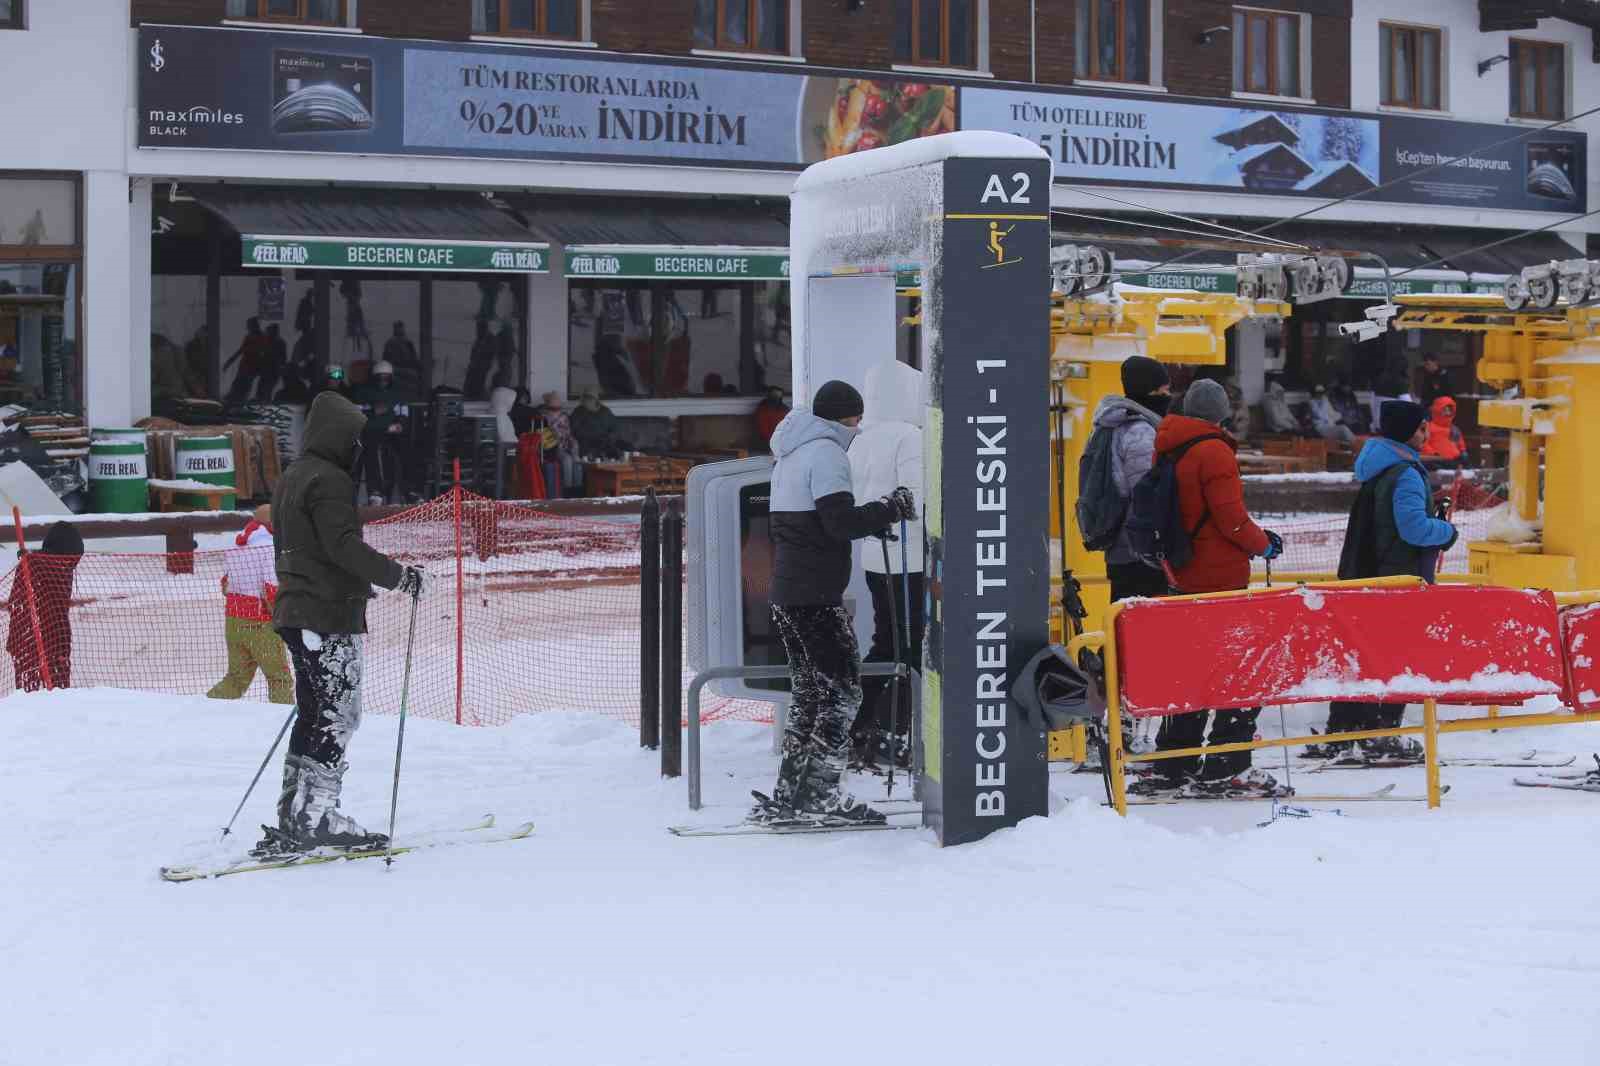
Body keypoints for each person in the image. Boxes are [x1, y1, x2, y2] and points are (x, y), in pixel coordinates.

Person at [260, 391, 424, 854]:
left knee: (313, 712)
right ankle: (319, 817)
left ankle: (294, 811)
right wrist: (401, 577)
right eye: (354, 439)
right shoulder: (329, 479)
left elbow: (312, 547)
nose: (358, 448)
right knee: (337, 715)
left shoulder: (292, 476)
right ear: (340, 438)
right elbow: (343, 547)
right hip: (326, 615)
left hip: (296, 611)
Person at [758, 380, 915, 826]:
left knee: (810, 694)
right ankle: (823, 794)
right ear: (839, 418)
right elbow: (839, 523)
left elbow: (816, 524)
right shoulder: (826, 452)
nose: (858, 427)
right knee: (843, 692)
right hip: (816, 596)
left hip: (789, 593)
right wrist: (890, 507)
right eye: (854, 419)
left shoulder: (790, 453)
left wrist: (867, 521)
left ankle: (791, 791)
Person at [1133, 379, 1287, 798]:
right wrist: (1264, 544)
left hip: (1182, 575)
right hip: (1219, 579)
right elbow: (1231, 518)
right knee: (1241, 672)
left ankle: (1174, 761)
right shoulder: (1213, 451)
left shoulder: (1170, 445)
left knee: (1192, 672)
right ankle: (1228, 765)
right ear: (1221, 413)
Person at [1314, 400, 1459, 763]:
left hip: (1367, 575)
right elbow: (1413, 529)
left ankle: (1343, 732)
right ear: (1411, 431)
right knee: (1398, 658)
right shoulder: (1406, 473)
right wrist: (1446, 530)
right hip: (1397, 581)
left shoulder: (1378, 465)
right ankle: (1382, 734)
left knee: (1359, 654)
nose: (1427, 433)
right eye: (1423, 427)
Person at [847, 360, 925, 769]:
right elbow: (915, 499)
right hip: (907, 556)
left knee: (885, 639)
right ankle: (891, 723)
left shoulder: (862, 439)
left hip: (874, 556)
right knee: (909, 644)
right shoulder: (909, 438)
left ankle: (865, 721)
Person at [1092, 355, 1171, 603]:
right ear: (1151, 390)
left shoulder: (1110, 426)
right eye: (1165, 389)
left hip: (1118, 545)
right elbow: (1146, 493)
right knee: (1144, 629)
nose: (1169, 395)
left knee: (1123, 626)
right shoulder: (1140, 432)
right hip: (1139, 552)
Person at [207, 505, 293, 705]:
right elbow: (270, 589)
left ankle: (206, 709)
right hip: (260, 622)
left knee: (235, 679)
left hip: (233, 620)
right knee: (279, 678)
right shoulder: (269, 547)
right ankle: (282, 720)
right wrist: (282, 619)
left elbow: (225, 585)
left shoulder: (237, 544)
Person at [6, 521, 84, 692]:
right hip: (36, 639)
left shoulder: (41, 566)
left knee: (39, 693)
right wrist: (30, 558)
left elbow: (42, 567)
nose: (70, 565)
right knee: (42, 693)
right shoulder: (45, 566)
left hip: (41, 640)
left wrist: (30, 558)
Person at [350, 360, 413, 504]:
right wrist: (372, 410)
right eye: (380, 378)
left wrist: (400, 423)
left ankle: (408, 490)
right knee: (370, 453)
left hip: (390, 431)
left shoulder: (396, 392)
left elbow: (403, 410)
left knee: (404, 452)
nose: (383, 381)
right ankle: (375, 491)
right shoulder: (364, 391)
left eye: (386, 378)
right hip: (370, 430)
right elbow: (355, 410)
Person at [536, 390, 581, 496]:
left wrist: (572, 443)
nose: (556, 410)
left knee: (577, 462)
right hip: (553, 448)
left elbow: (568, 433)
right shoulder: (543, 418)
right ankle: (568, 491)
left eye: (557, 408)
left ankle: (578, 490)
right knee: (567, 460)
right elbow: (545, 439)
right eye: (553, 408)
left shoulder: (564, 417)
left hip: (566, 444)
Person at [223, 318, 272, 406]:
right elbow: (241, 350)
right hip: (245, 367)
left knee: (244, 388)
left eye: (249, 326)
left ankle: (238, 404)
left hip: (252, 368)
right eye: (249, 326)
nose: (248, 328)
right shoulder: (249, 337)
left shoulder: (262, 338)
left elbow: (264, 353)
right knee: (237, 385)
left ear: (254, 326)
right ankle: (233, 402)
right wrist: (230, 361)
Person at [569, 387, 625, 458]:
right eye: (585, 398)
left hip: (605, 442)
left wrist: (610, 438)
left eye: (589, 398)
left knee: (620, 450)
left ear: (595, 400)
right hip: (586, 443)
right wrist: (587, 436)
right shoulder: (578, 412)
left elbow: (616, 428)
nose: (587, 401)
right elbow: (573, 430)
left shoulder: (605, 411)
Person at [1420, 396, 1466, 462]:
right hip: (1436, 461)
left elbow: (1460, 443)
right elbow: (1424, 444)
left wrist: (1463, 451)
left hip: (1455, 461)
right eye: (1444, 410)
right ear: (1437, 410)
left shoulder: (1454, 429)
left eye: (1450, 410)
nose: (1447, 413)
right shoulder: (1429, 427)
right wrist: (1434, 454)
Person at [381, 321, 420, 391]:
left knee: (413, 378)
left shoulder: (408, 342)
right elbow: (385, 359)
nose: (399, 330)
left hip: (406, 369)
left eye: (400, 328)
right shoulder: (390, 342)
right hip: (395, 369)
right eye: (397, 328)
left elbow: (414, 358)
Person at [464, 320, 497, 400]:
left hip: (481, 368)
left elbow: (489, 355)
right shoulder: (480, 339)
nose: (477, 330)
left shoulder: (490, 339)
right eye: (478, 328)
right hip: (476, 367)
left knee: (476, 386)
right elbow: (473, 354)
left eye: (479, 328)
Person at [257, 324, 288, 403]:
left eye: (269, 331)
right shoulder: (274, 342)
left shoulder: (278, 342)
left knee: (267, 391)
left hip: (272, 370)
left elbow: (282, 358)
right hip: (268, 370)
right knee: (265, 391)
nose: (267, 333)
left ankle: (266, 405)